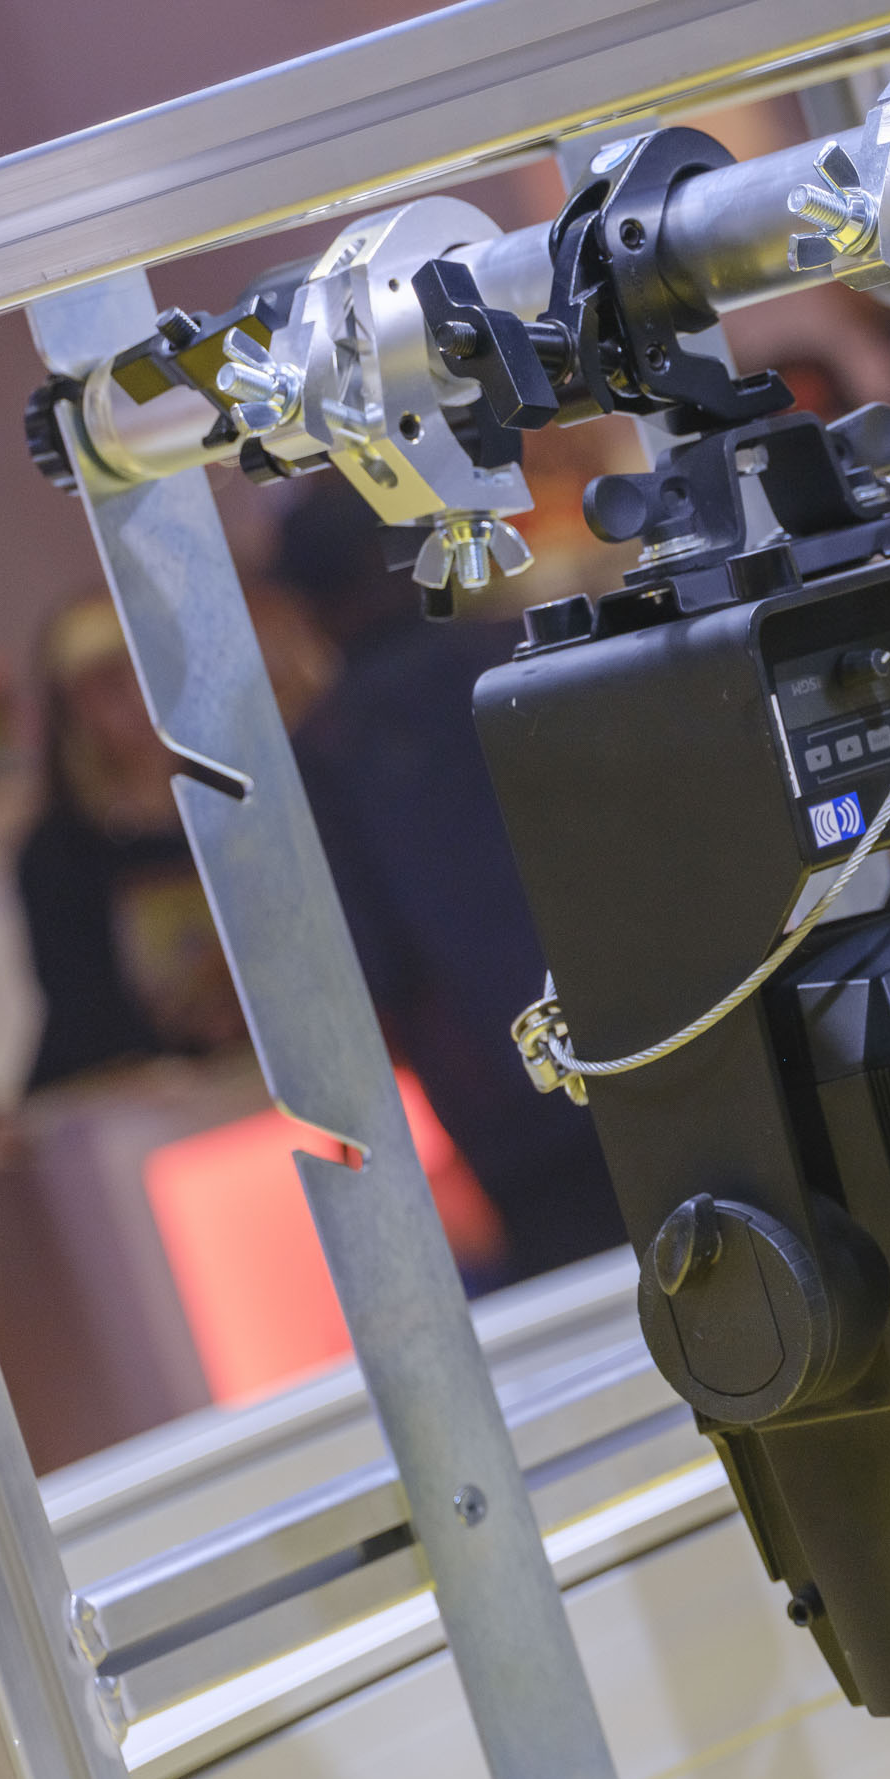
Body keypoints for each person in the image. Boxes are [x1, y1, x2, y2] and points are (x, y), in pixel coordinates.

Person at [274, 484, 623, 1285]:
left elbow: (368, 967)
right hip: (652, 1024)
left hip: (504, 1096)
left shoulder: (328, 749)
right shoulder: (530, 653)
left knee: (592, 1310)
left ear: (307, 605)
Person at [16, 595, 248, 1089]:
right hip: (134, 1083)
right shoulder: (59, 852)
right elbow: (82, 1008)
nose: (135, 697)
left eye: (144, 671)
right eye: (107, 686)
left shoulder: (241, 798)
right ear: (72, 711)